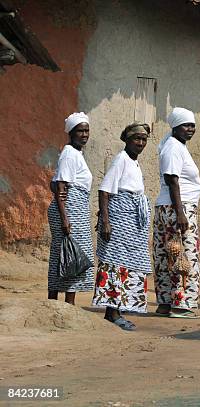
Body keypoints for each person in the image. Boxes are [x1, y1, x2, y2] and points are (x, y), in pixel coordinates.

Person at [92, 123, 151, 330]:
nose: (141, 143)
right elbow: (104, 191)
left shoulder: (133, 163)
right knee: (114, 264)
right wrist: (106, 221)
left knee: (128, 265)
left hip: (132, 224)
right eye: (137, 139)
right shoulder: (121, 160)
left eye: (144, 139)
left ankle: (118, 310)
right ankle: (112, 313)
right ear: (127, 140)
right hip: (119, 222)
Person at [153, 107, 200, 319]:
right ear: (175, 127)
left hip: (170, 207)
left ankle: (165, 303)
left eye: (192, 125)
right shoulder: (173, 147)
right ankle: (182, 304)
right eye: (186, 125)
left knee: (166, 255)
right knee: (183, 256)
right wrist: (180, 213)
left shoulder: (175, 146)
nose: (190, 129)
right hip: (178, 208)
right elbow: (172, 180)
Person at [47, 112, 95, 304]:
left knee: (71, 254)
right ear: (71, 133)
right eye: (80, 131)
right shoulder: (69, 154)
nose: (84, 135)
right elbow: (60, 186)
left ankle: (66, 302)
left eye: (86, 130)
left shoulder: (76, 154)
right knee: (67, 253)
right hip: (68, 211)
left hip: (75, 210)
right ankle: (60, 302)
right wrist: (65, 218)